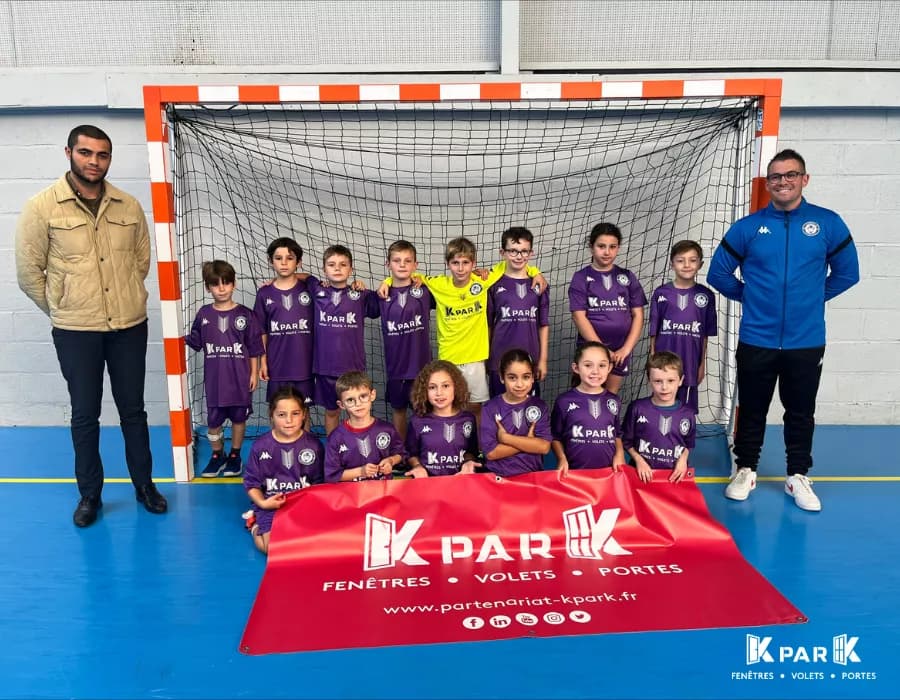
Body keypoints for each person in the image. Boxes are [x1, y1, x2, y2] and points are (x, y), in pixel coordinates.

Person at [14, 124, 168, 527]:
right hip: (75, 330)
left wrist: (120, 296)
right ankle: (90, 496)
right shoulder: (42, 207)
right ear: (69, 153)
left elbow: (140, 262)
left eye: (102, 155)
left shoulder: (128, 206)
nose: (94, 161)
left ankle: (145, 486)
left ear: (109, 159)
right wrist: (65, 306)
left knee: (133, 410)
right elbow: (29, 272)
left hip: (129, 326)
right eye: (86, 153)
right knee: (85, 414)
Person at [708, 148, 860, 512]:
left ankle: (798, 475)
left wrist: (811, 298)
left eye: (790, 175)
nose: (783, 182)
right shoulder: (747, 227)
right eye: (776, 177)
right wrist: (752, 297)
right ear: (769, 184)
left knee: (800, 411)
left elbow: (847, 273)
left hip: (805, 340)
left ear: (804, 179)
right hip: (756, 337)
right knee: (753, 407)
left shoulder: (828, 223)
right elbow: (717, 274)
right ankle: (745, 469)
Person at [379, 237, 546, 425]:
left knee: (475, 408)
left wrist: (535, 272)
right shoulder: (437, 284)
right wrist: (386, 281)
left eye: (466, 263)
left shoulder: (483, 279)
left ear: (473, 263)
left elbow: (513, 262)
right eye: (455, 263)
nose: (461, 268)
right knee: (447, 408)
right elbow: (407, 277)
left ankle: (479, 452)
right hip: (449, 359)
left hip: (475, 359)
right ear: (448, 264)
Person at [185, 260, 264, 477]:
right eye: (215, 284)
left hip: (239, 378)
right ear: (207, 287)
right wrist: (175, 337)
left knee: (239, 419)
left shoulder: (246, 315)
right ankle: (217, 455)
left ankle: (235, 456)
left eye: (226, 283)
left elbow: (254, 347)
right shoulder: (203, 314)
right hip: (215, 381)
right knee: (214, 422)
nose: (221, 288)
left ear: (234, 284)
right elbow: (195, 341)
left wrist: (254, 372)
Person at [242, 387, 324, 555]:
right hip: (272, 504)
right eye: (281, 415)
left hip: (303, 505)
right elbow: (251, 484)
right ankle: (254, 523)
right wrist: (263, 503)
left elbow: (320, 484)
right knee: (272, 549)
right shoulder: (260, 446)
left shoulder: (314, 446)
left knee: (313, 547)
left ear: (304, 415)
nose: (289, 420)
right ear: (271, 416)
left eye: (295, 413)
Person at [568, 222, 647, 396]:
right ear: (591, 247)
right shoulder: (581, 278)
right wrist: (601, 350)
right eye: (601, 246)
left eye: (612, 247)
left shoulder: (627, 277)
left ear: (618, 248)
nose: (607, 252)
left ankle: (608, 424)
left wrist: (626, 349)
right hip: (591, 349)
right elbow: (579, 317)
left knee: (610, 394)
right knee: (586, 393)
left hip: (620, 350)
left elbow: (638, 315)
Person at [310, 245, 380, 435]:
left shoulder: (361, 295)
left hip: (353, 369)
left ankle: (358, 449)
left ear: (351, 269)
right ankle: (333, 450)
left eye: (343, 264)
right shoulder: (316, 289)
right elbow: (300, 276)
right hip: (326, 368)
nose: (337, 268)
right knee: (332, 412)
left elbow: (386, 295)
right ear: (324, 269)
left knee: (358, 413)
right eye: (331, 265)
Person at [648, 240, 718, 414]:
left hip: (690, 363)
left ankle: (685, 441)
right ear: (672, 264)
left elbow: (704, 336)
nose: (687, 265)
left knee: (685, 411)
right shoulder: (661, 293)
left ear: (700, 264)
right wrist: (652, 360)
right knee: (662, 402)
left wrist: (702, 365)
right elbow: (653, 332)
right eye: (680, 260)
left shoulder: (706, 296)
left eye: (692, 260)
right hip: (664, 363)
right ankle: (661, 440)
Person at [378, 241, 435, 440]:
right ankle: (400, 453)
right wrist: (386, 282)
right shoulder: (381, 295)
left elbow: (453, 285)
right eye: (396, 260)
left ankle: (424, 450)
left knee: (424, 410)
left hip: (422, 367)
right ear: (388, 264)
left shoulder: (426, 291)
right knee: (399, 410)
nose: (402, 265)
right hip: (396, 368)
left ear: (415, 265)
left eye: (407, 261)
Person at [487, 226, 550, 397]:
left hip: (531, 360)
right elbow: (488, 325)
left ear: (531, 253)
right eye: (513, 251)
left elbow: (543, 325)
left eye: (524, 251)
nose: (519, 256)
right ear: (503, 252)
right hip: (499, 360)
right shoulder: (492, 284)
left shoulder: (540, 284)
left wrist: (542, 360)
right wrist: (487, 359)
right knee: (500, 410)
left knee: (529, 412)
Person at [253, 237, 315, 406]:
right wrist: (263, 362)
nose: (284, 263)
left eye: (290, 258)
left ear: (299, 262)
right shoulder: (264, 294)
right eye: (278, 258)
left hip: (305, 365)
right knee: (277, 410)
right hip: (277, 365)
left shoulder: (310, 289)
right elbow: (261, 331)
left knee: (302, 411)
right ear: (270, 262)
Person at [551, 342, 625, 476]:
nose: (595, 371)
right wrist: (561, 459)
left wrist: (620, 454)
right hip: (574, 475)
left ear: (609, 368)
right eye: (588, 365)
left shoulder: (614, 400)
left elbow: (617, 434)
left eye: (602, 365)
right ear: (576, 368)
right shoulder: (564, 401)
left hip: (608, 475)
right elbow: (555, 438)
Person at [621, 351, 695, 484]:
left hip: (674, 477)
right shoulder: (637, 408)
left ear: (681, 381)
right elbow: (626, 441)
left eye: (671, 380)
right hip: (642, 475)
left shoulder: (687, 413)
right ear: (649, 381)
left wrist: (683, 460)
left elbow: (688, 444)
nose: (664, 387)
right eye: (658, 381)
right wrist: (639, 460)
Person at [479, 349, 551, 477]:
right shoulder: (490, 408)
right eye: (512, 378)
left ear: (533, 377)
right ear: (502, 377)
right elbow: (491, 453)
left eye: (526, 377)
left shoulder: (539, 406)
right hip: (498, 477)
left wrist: (506, 439)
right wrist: (529, 442)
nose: (519, 384)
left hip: (532, 476)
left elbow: (544, 447)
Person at [324, 371, 406, 482]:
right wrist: (361, 472)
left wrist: (391, 461)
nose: (358, 404)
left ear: (372, 395)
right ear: (341, 405)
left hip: (383, 492)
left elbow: (401, 453)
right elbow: (332, 476)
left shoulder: (387, 429)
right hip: (352, 495)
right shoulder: (336, 437)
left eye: (363, 396)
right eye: (350, 400)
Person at [405, 360, 480, 478]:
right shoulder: (417, 421)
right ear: (424, 391)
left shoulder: (468, 419)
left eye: (445, 386)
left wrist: (468, 463)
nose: (439, 393)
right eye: (432, 387)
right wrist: (417, 466)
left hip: (459, 483)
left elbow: (471, 452)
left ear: (456, 387)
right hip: (428, 485)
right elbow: (410, 454)